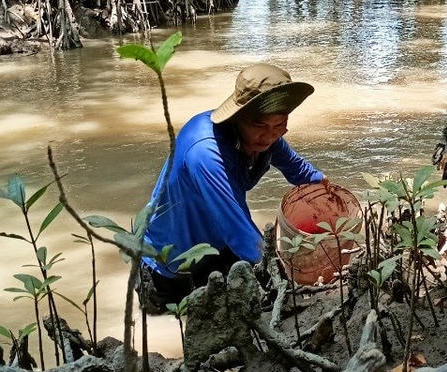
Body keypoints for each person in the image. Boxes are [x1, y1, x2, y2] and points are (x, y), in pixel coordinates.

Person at [139, 62, 324, 311]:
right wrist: (284, 278)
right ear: (238, 118)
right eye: (260, 126)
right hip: (168, 262)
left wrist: (327, 191)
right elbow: (238, 230)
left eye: (280, 125)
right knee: (173, 324)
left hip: (214, 249)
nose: (270, 136)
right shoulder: (205, 152)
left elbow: (299, 171)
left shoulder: (267, 138)